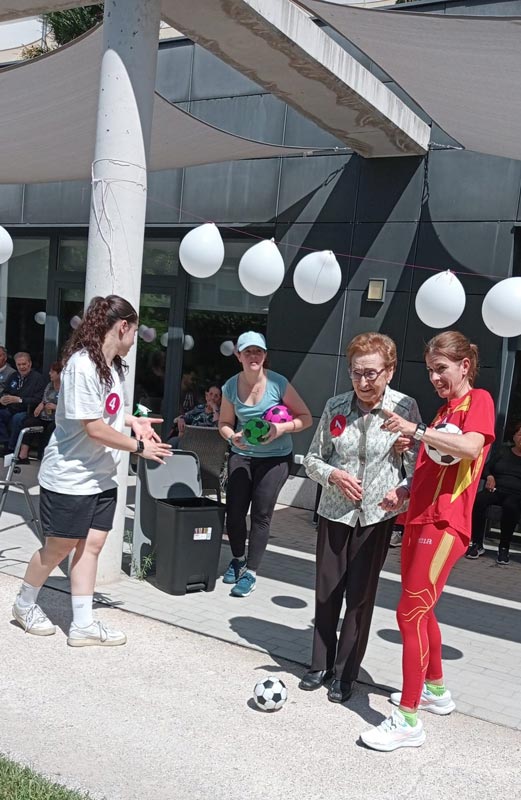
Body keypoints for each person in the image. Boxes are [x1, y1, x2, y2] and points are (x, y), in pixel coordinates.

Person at [360, 331, 495, 752]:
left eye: (442, 369)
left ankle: (408, 719)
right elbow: (428, 470)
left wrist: (416, 431)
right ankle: (435, 690)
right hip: (419, 520)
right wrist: (401, 493)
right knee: (421, 608)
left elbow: (471, 448)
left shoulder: (480, 402)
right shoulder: (441, 414)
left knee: (409, 613)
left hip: (445, 523)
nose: (435, 377)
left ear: (464, 366)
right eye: (431, 370)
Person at [11, 295, 172, 646]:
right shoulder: (82, 365)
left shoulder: (112, 366)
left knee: (93, 545)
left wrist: (134, 422)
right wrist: (139, 447)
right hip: (70, 476)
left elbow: (108, 414)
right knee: (59, 547)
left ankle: (82, 624)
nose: (136, 340)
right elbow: (94, 427)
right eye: (135, 330)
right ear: (123, 326)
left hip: (100, 475)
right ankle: (24, 604)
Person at [301, 333, 421, 704]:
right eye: (356, 373)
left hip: (375, 517)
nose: (364, 382)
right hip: (335, 512)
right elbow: (312, 460)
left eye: (371, 373)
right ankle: (319, 663)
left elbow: (420, 465)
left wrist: (402, 488)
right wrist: (333, 475)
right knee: (328, 590)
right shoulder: (336, 406)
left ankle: (345, 672)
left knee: (360, 597)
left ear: (389, 371)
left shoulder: (405, 407)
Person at [218, 331, 312, 597]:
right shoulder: (230, 386)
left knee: (261, 514)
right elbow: (224, 423)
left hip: (275, 459)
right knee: (234, 512)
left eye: (258, 351)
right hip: (242, 454)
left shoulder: (278, 383)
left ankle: (251, 574)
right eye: (248, 352)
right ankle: (237, 560)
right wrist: (232, 436)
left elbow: (305, 418)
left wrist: (281, 429)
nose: (253, 356)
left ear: (265, 355)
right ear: (238, 356)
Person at [466, 419, 521, 565]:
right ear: (514, 436)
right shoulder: (503, 452)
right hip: (496, 489)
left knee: (511, 507)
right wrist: (489, 476)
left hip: (516, 494)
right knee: (479, 500)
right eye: (520, 434)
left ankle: (504, 548)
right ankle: (477, 543)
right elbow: (486, 468)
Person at [17, 361, 63, 464]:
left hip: (57, 418)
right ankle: (23, 455)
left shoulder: (67, 388)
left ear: (60, 373)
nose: (49, 374)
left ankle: (44, 455)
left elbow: (69, 406)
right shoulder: (50, 385)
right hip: (44, 415)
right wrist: (41, 404)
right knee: (29, 422)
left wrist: (56, 407)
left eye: (52, 372)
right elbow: (45, 398)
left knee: (51, 428)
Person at [0, 351, 45, 455]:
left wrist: (20, 399)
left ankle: (12, 448)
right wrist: (2, 398)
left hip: (28, 410)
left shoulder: (37, 378)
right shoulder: (14, 376)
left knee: (17, 418)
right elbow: (6, 391)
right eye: (19, 364)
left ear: (30, 364)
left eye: (24, 364)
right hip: (11, 408)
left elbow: (38, 399)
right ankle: (5, 442)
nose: (22, 367)